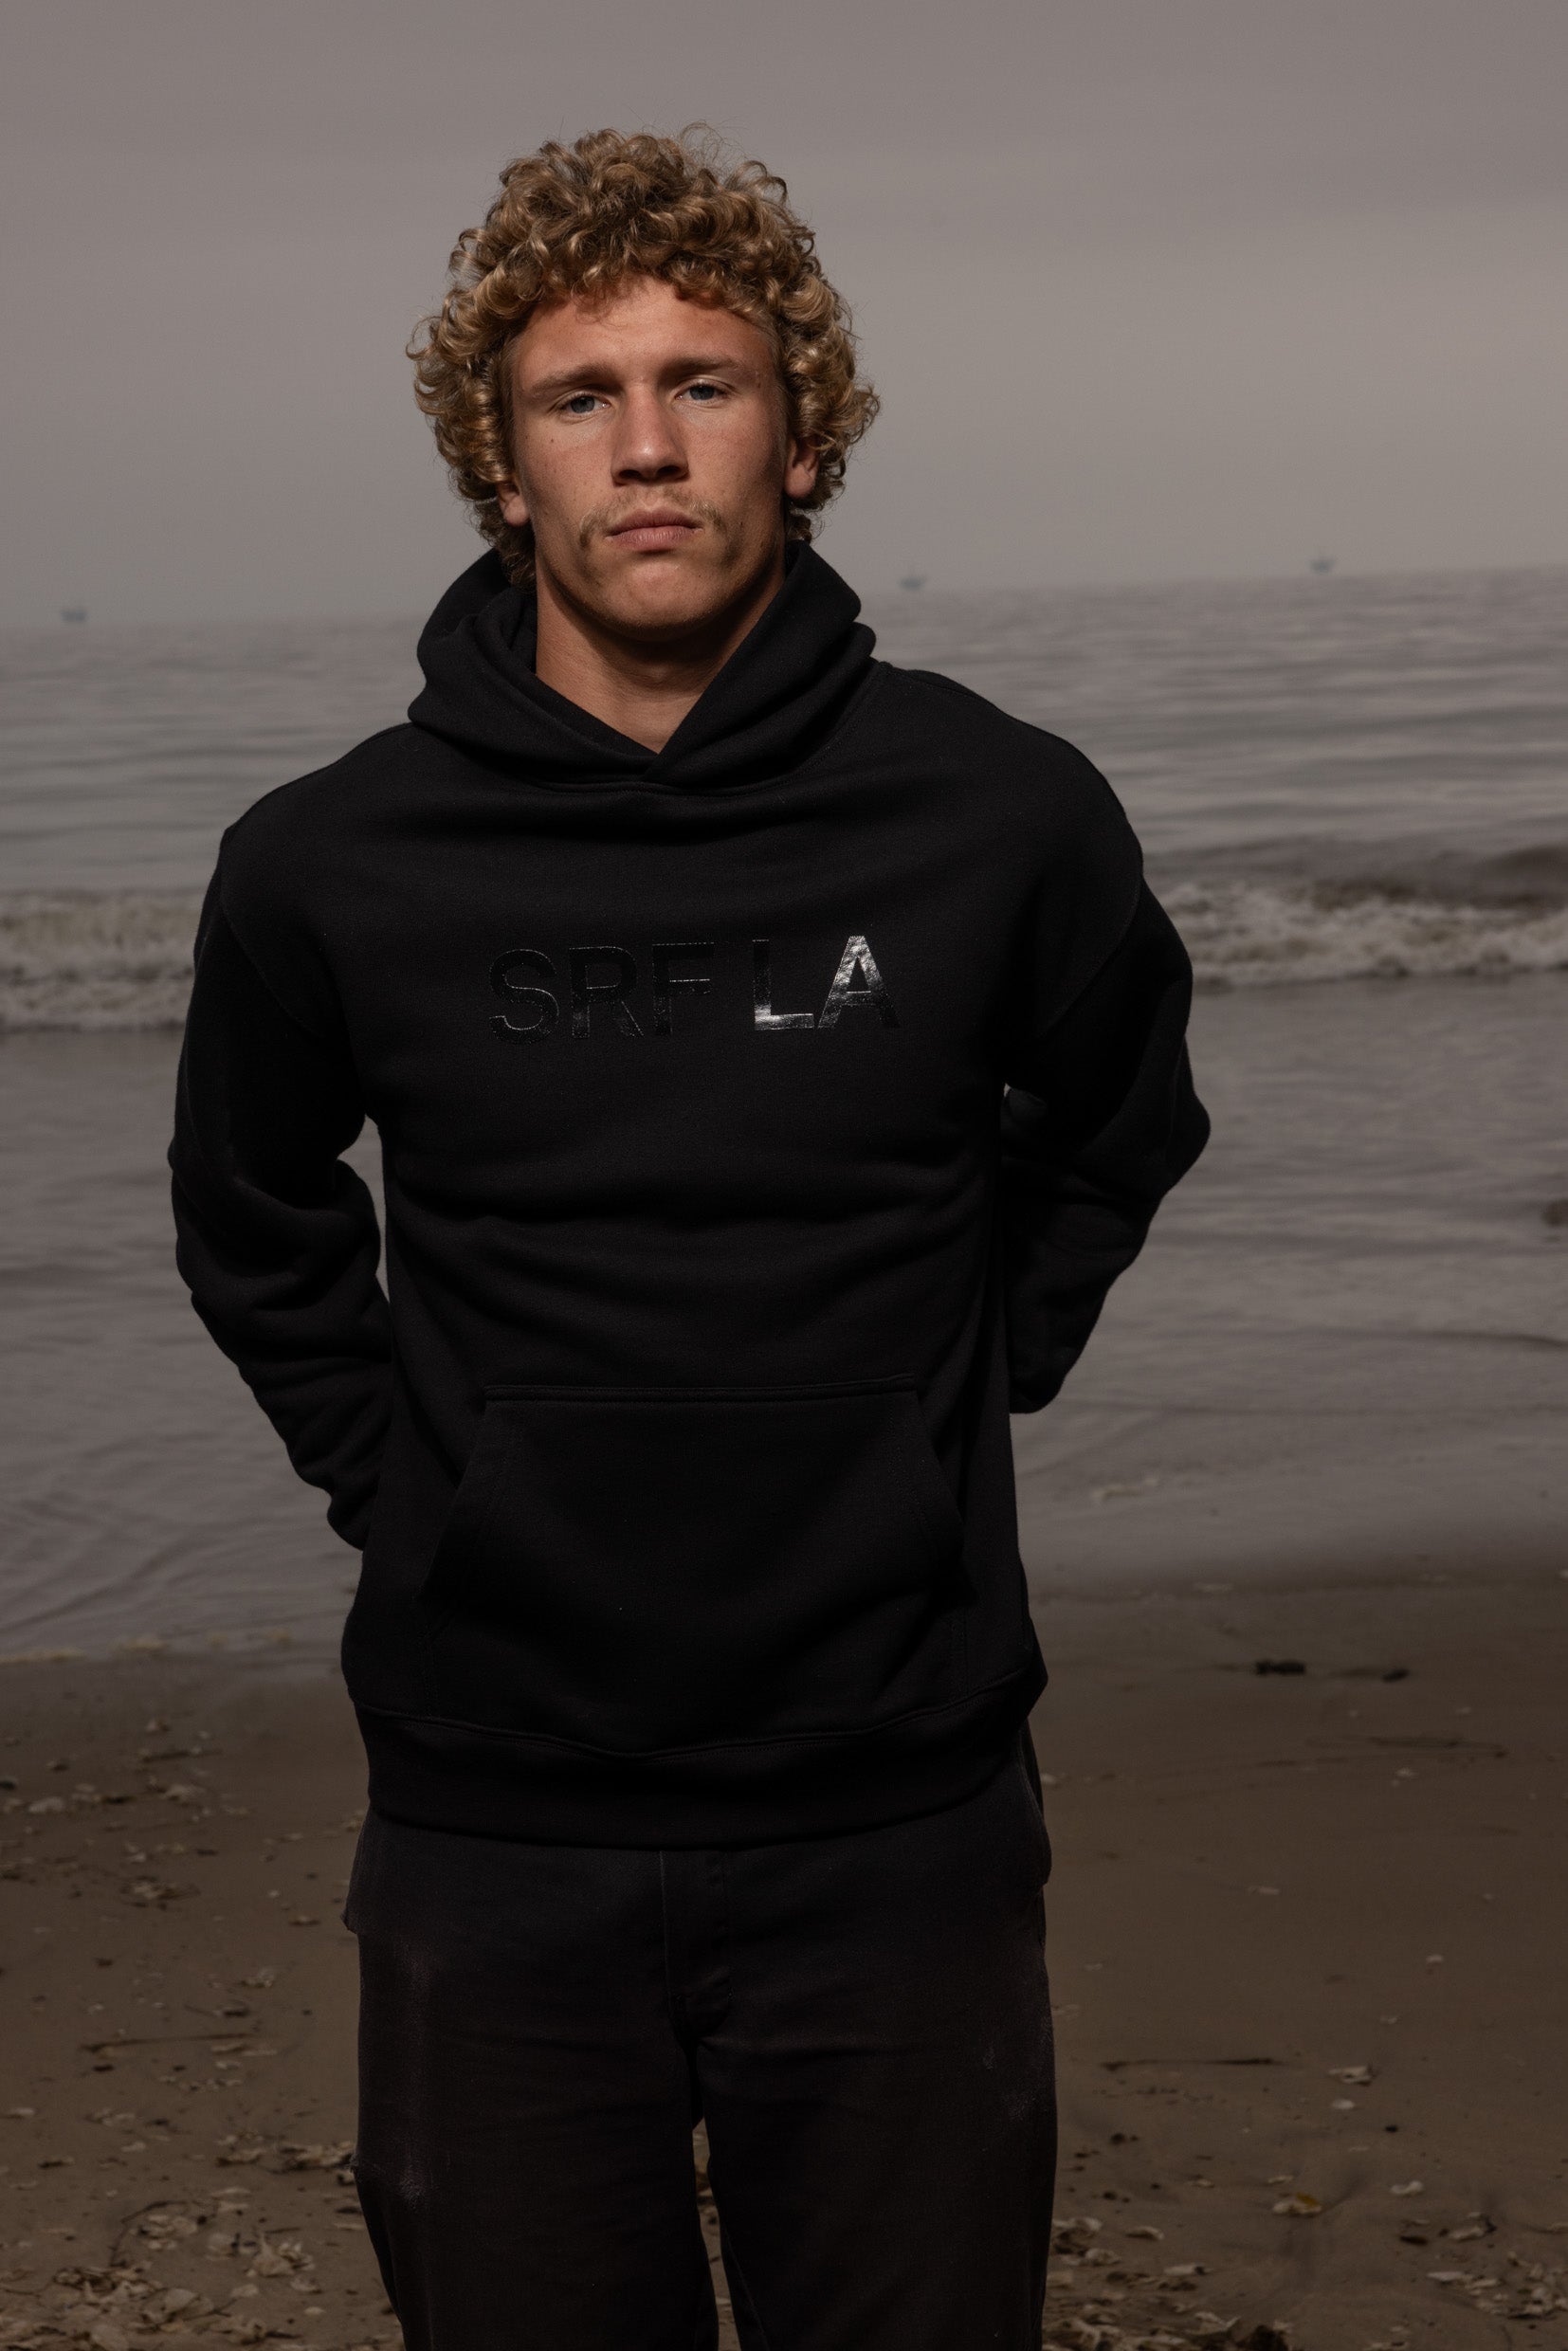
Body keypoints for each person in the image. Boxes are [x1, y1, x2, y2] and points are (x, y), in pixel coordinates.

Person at [170, 126, 1209, 2351]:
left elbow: (1121, 1112)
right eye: (581, 394)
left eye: (701, 383)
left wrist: (949, 1388)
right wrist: (417, 1484)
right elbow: (250, 1213)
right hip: (493, 1812)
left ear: (798, 435)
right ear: (501, 461)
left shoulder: (995, 813)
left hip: (897, 1801)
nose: (645, 446)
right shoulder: (331, 858)